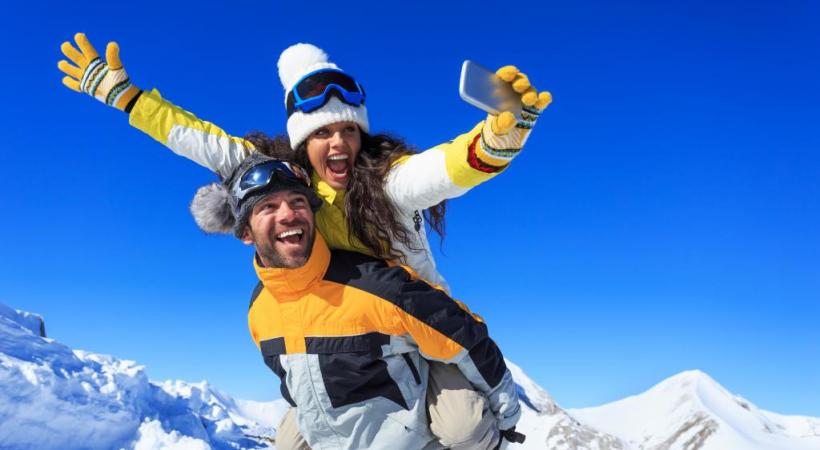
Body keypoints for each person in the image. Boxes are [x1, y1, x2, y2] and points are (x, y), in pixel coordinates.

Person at [57, 33, 552, 294]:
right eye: (323, 133)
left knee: (463, 424)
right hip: (346, 327)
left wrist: (492, 142)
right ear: (301, 143)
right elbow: (203, 142)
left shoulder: (386, 183)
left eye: (348, 131)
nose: (338, 142)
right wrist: (128, 99)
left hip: (421, 316)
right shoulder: (280, 179)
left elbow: (438, 172)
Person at [190, 151, 524, 450]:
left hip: (412, 438)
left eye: (298, 202)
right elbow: (292, 383)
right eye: (268, 207)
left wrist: (507, 416)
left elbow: (465, 335)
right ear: (246, 232)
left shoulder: (374, 285)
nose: (289, 214)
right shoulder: (259, 310)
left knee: (467, 429)